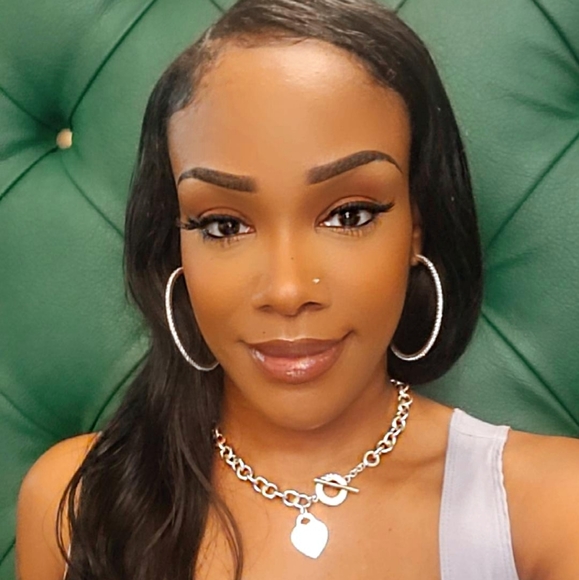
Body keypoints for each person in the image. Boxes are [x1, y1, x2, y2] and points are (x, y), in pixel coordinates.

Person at [15, 0, 579, 578]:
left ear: (417, 227)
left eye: (349, 215)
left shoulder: (554, 509)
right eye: (224, 225)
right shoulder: (74, 505)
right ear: (176, 246)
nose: (287, 291)